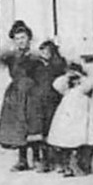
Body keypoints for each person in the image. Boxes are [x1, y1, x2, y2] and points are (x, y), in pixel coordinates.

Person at [0, 21, 43, 171]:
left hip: (32, 92)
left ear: (29, 38)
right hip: (16, 93)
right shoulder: (11, 57)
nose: (20, 41)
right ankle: (22, 160)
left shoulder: (36, 56)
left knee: (33, 124)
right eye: (17, 38)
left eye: (23, 37)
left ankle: (36, 158)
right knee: (18, 126)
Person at [47, 61, 93, 176]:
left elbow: (88, 85)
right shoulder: (66, 90)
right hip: (67, 115)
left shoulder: (82, 88)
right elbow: (56, 85)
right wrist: (67, 77)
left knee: (79, 138)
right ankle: (66, 164)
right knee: (66, 138)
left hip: (80, 115)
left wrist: (80, 77)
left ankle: (76, 165)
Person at [30, 40, 69, 172]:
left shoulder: (57, 65)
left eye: (47, 51)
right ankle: (44, 160)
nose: (44, 54)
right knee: (41, 131)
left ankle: (58, 161)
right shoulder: (37, 65)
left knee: (54, 130)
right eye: (42, 51)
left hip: (53, 101)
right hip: (40, 101)